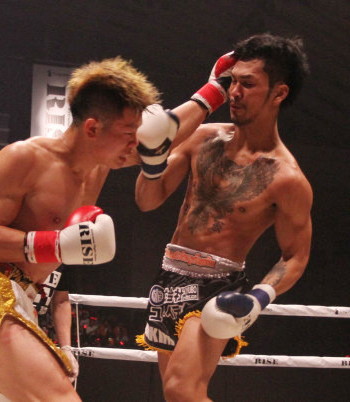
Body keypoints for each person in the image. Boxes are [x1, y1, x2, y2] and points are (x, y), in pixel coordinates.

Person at [0, 56, 161, 402]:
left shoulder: (99, 165)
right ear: (92, 128)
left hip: (28, 301)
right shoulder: (24, 158)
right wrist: (56, 245)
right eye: (129, 134)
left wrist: (213, 91)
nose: (135, 144)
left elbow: (170, 132)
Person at [135, 33, 313, 401]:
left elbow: (296, 255)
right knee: (177, 395)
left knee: (182, 390)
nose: (234, 92)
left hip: (218, 287)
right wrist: (152, 160)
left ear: (279, 93)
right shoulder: (202, 138)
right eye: (231, 81)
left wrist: (259, 297)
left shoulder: (287, 178)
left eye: (248, 83)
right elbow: (147, 200)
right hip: (169, 275)